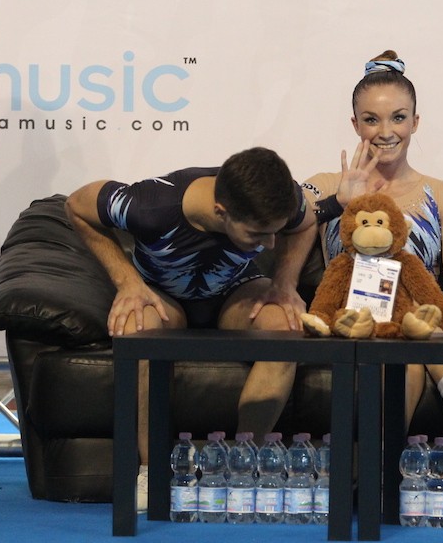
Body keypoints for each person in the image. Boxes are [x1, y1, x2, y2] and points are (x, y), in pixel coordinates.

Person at [65, 147, 318, 510]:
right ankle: (151, 470)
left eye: (274, 232)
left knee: (285, 327)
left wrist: (285, 282)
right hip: (164, 296)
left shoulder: (282, 195)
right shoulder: (149, 206)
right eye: (258, 234)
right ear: (221, 211)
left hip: (234, 291)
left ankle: (244, 464)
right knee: (140, 329)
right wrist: (127, 281)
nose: (270, 244)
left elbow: (306, 222)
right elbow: (76, 205)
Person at [301, 51, 443, 448]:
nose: (386, 132)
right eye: (371, 119)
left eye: (398, 117)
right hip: (347, 325)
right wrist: (337, 203)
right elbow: (284, 218)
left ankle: (376, 470)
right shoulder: (327, 184)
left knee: (408, 346)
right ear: (354, 124)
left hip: (413, 333)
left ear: (415, 122)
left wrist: (423, 319)